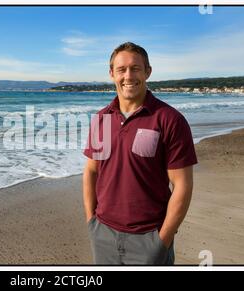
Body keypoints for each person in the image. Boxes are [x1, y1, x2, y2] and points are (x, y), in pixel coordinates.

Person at [83, 42, 198, 265]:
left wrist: (162, 241)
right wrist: (91, 222)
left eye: (136, 68)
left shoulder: (169, 119)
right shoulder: (102, 119)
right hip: (103, 234)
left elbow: (182, 185)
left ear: (148, 72)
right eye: (121, 69)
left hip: (149, 237)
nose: (128, 75)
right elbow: (91, 171)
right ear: (111, 74)